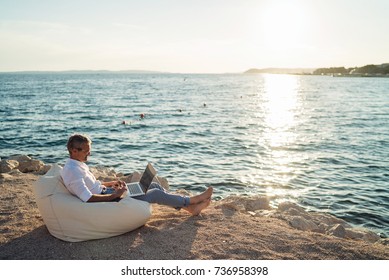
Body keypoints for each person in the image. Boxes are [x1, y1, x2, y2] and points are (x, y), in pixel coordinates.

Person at [60, 134, 212, 216]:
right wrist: (115, 195)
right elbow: (88, 198)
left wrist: (111, 184)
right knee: (155, 193)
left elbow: (92, 186)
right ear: (74, 151)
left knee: (152, 185)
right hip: (112, 200)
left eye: (89, 150)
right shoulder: (72, 171)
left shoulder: (77, 165)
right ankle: (193, 200)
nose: (89, 153)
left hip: (111, 192)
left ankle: (190, 209)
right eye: (86, 150)